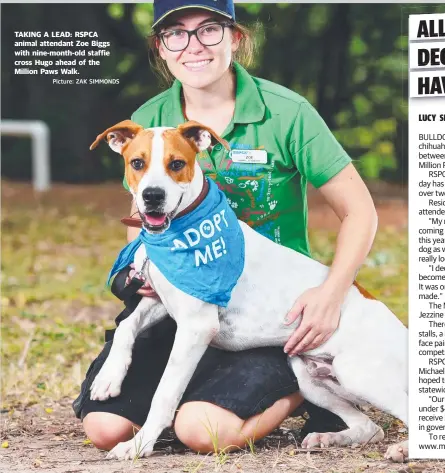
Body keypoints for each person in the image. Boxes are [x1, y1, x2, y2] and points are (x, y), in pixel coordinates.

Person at [73, 0, 378, 454]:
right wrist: (140, 282)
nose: (193, 45)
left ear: (235, 38)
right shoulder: (149, 122)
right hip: (191, 300)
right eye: (176, 33)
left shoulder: (287, 112)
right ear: (161, 47)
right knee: (105, 429)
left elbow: (361, 212)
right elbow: (143, 222)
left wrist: (331, 294)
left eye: (209, 30)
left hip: (268, 306)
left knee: (201, 432)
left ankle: (302, 385)